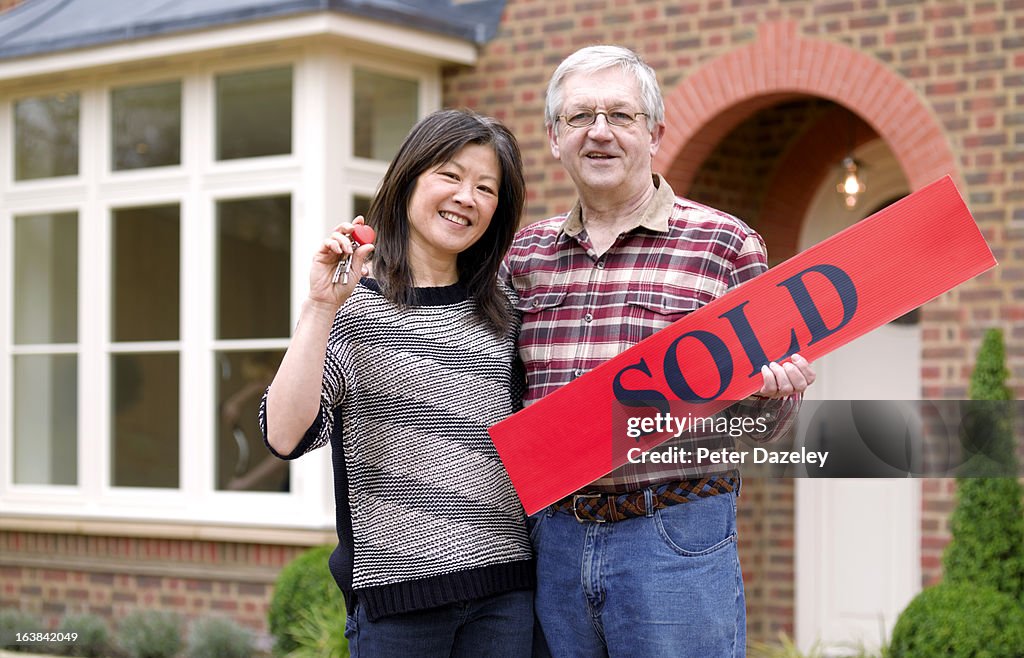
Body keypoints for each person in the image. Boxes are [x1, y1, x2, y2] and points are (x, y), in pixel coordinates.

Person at [502, 45, 817, 657]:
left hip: (673, 537)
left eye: (620, 115)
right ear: (552, 138)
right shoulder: (526, 257)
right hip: (555, 540)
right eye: (579, 117)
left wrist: (775, 394)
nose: (599, 132)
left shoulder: (724, 244)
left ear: (655, 132)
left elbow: (763, 426)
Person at [259, 108, 534, 657]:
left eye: (486, 187)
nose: (467, 197)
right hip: (399, 602)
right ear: (408, 180)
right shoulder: (355, 304)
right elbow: (283, 435)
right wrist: (318, 307)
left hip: (506, 594)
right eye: (450, 176)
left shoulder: (504, 309)